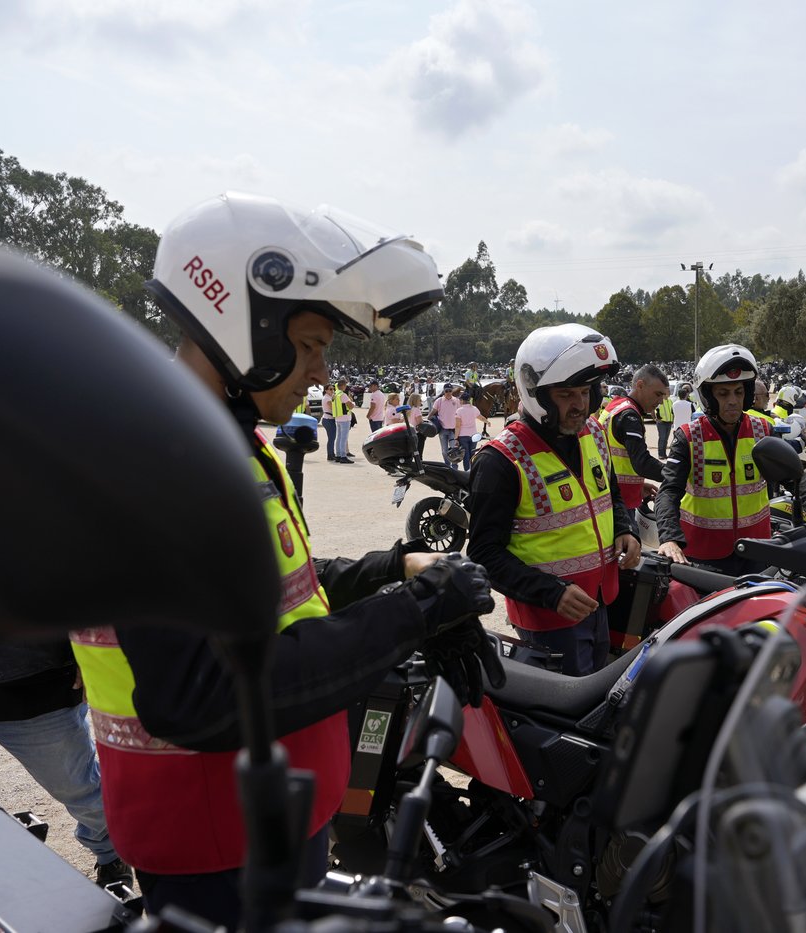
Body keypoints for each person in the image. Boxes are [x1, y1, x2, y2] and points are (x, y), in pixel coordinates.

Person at [75, 193, 503, 925]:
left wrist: (396, 571)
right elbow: (199, 694)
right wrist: (415, 614)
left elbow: (272, 593)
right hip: (217, 836)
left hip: (265, 814)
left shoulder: (218, 446)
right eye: (309, 346)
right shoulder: (156, 469)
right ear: (246, 328)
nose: (319, 373)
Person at [0, 580, 132, 887]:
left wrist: (88, 648)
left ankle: (112, 856)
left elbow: (79, 569)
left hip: (33, 689)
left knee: (79, 788)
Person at [467, 324, 641, 676]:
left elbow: (611, 494)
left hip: (601, 602)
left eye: (585, 392)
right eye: (566, 395)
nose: (579, 405)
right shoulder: (500, 460)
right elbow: (483, 555)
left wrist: (625, 529)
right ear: (536, 393)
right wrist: (552, 592)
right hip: (548, 621)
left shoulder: (592, 432)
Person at [656, 346, 806, 574]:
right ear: (707, 396)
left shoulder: (763, 431)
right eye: (723, 393)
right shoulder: (688, 437)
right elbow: (669, 491)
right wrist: (669, 538)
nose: (733, 401)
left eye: (739, 392)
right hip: (704, 555)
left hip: (757, 550)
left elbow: (792, 475)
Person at [596, 363, 671, 511]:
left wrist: (637, 486)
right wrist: (677, 473)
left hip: (610, 496)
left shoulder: (615, 406)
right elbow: (642, 462)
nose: (661, 401)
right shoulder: (629, 415)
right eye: (658, 394)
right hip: (620, 504)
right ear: (640, 385)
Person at [432, 384, 461, 463]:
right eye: (446, 391)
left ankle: (454, 468)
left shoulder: (456, 401)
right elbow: (433, 412)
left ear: (452, 391)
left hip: (453, 430)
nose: (448, 392)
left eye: (450, 391)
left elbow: (460, 413)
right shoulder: (439, 401)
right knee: (444, 451)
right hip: (442, 430)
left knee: (454, 450)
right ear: (443, 391)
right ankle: (447, 466)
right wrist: (428, 419)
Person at [454, 391, 482, 469]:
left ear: (462, 400)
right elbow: (480, 417)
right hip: (473, 435)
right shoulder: (474, 409)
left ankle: (467, 471)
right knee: (473, 454)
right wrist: (487, 421)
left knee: (466, 455)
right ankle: (473, 470)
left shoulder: (459, 411)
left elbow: (457, 426)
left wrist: (456, 438)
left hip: (463, 436)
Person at [331, 378, 356, 462]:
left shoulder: (335, 394)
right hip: (345, 418)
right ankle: (343, 456)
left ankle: (338, 455)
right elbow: (350, 406)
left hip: (338, 417)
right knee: (343, 438)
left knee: (339, 437)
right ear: (343, 385)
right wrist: (353, 403)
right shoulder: (343, 394)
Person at [654, 390, 675, 459]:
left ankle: (664, 454)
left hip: (669, 422)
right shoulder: (660, 401)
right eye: (668, 392)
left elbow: (672, 411)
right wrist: (655, 418)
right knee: (662, 438)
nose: (669, 393)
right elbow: (654, 409)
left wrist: (672, 420)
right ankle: (660, 454)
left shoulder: (670, 401)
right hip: (662, 422)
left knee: (666, 439)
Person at [320, 383, 338, 461]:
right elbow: (333, 408)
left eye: (333, 389)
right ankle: (330, 455)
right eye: (330, 389)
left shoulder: (329, 397)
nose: (332, 390)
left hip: (329, 419)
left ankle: (331, 454)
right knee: (331, 438)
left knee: (332, 438)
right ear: (326, 390)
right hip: (328, 419)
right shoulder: (327, 398)